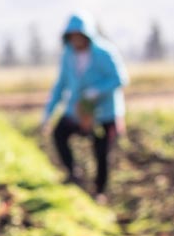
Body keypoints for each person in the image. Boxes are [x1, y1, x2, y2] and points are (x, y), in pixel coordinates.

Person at [39, 13, 128, 200]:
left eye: (79, 36)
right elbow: (60, 85)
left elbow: (120, 79)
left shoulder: (104, 53)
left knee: (101, 151)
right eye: (72, 37)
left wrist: (96, 91)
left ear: (87, 35)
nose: (76, 40)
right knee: (59, 134)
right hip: (77, 110)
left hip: (104, 112)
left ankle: (100, 191)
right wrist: (48, 113)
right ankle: (73, 174)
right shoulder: (68, 56)